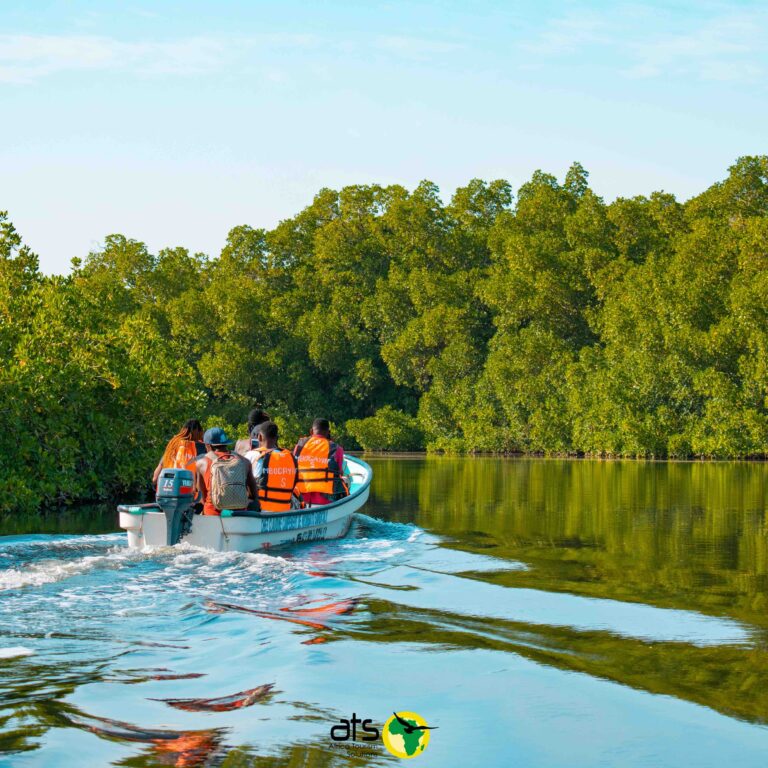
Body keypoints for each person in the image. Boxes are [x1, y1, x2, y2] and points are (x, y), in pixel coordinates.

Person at [194, 427, 259, 516]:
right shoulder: (244, 461)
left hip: (213, 513)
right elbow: (254, 494)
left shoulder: (201, 463)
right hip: (239, 513)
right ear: (226, 443)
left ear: (208, 445)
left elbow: (201, 496)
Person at [246, 421, 300, 513]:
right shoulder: (290, 457)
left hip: (260, 511)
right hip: (285, 509)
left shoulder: (252, 455)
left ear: (259, 437)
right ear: (277, 438)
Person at [293, 418, 349, 506]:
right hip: (326, 500)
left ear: (311, 431)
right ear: (328, 432)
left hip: (301, 498)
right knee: (344, 481)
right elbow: (340, 472)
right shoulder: (337, 449)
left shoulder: (299, 446)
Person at [152, 419, 205, 485]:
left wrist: (155, 480)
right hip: (187, 489)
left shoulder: (174, 444)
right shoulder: (200, 446)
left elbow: (160, 466)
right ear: (197, 431)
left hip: (167, 486)